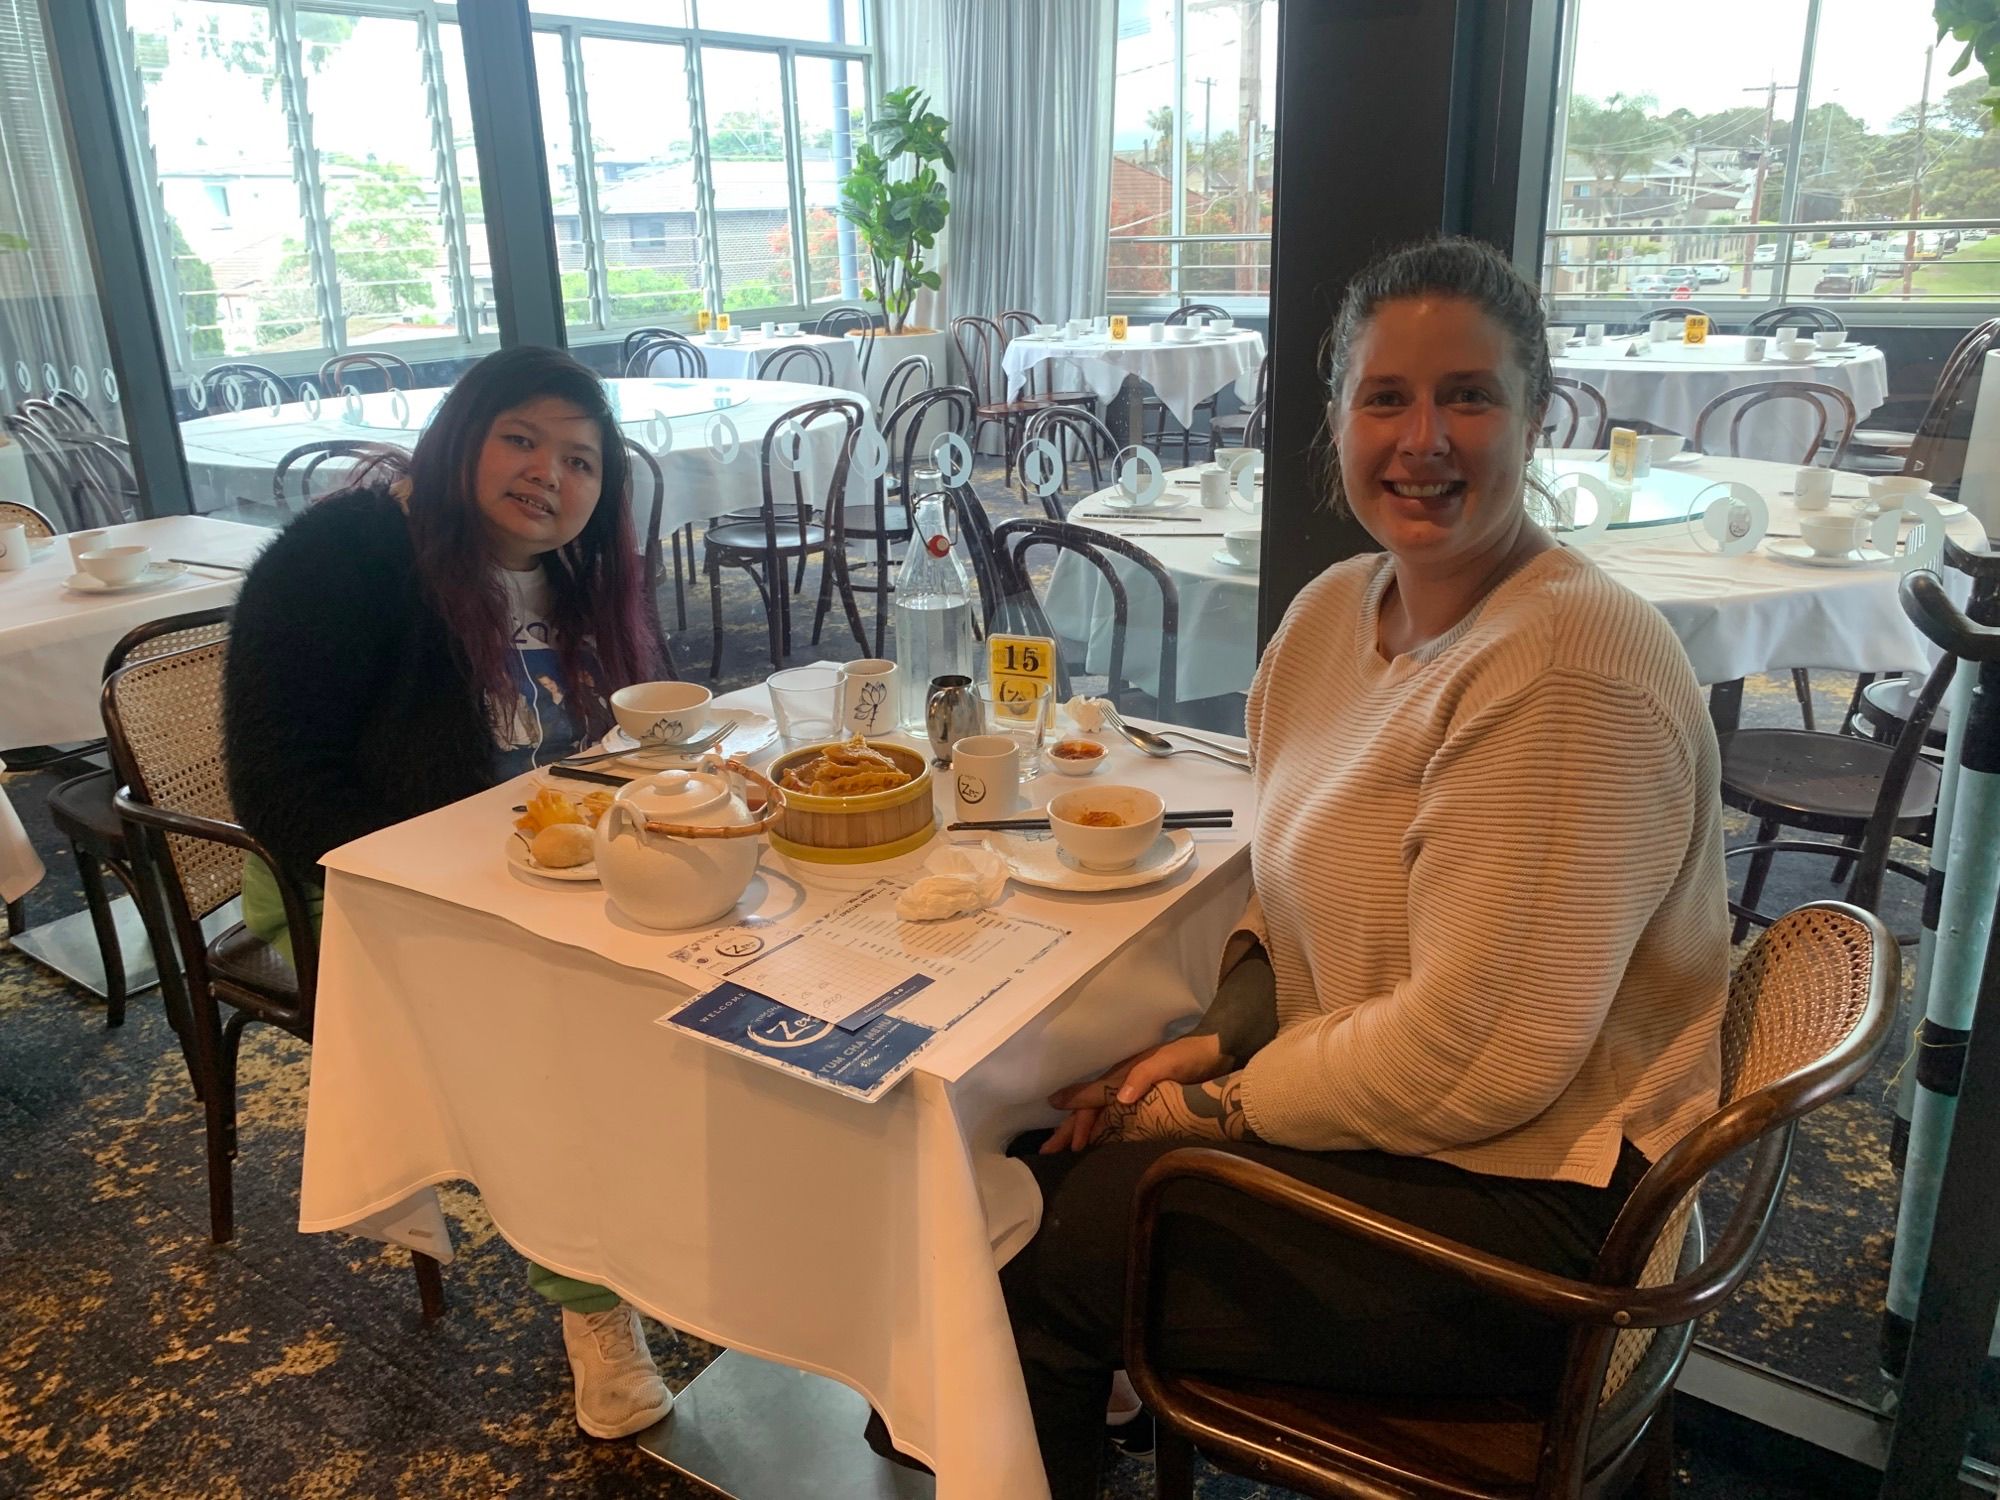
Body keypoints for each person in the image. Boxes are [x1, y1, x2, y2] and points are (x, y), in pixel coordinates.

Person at [1002, 238, 1731, 1499]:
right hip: (1423, 1137)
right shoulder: (1338, 610)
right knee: (1030, 1145)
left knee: (1026, 1239)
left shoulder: (1565, 671)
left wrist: (1216, 1109)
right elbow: (1288, 899)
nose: (1422, 438)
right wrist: (1221, 1036)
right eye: (1384, 397)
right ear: (1333, 419)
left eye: (1468, 396)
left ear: (1535, 417)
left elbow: (1472, 1059)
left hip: (1540, 1219)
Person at [222, 345, 676, 1441]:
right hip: (351, 877)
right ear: (462, 433)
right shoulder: (348, 552)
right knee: (553, 1036)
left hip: (530, 867)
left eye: (580, 460)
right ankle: (596, 1312)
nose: (548, 476)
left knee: (723, 953)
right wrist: (439, 882)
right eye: (520, 438)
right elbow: (276, 778)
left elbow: (591, 741)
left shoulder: (571, 576)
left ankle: (681, 1223)